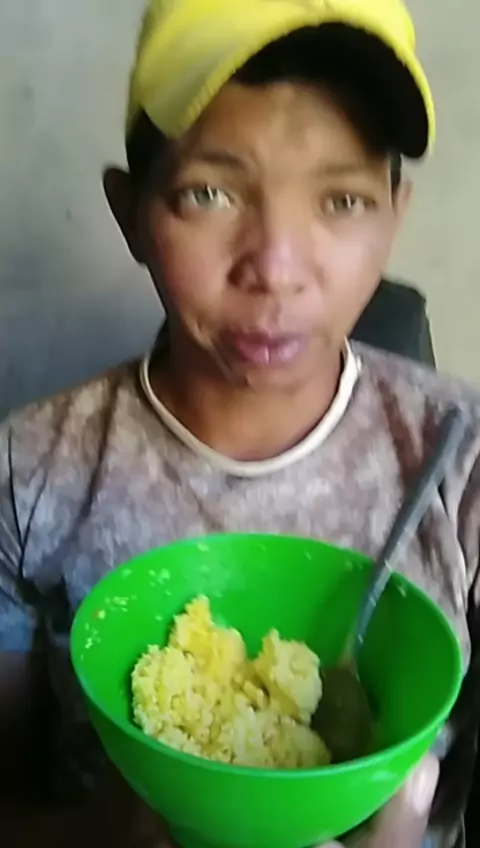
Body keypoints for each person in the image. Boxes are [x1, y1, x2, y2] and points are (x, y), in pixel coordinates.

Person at [1, 0, 479, 845]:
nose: (277, 268)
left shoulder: (462, 461)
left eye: (342, 201)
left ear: (394, 214)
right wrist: (103, 834)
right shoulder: (30, 470)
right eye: (209, 193)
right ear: (131, 212)